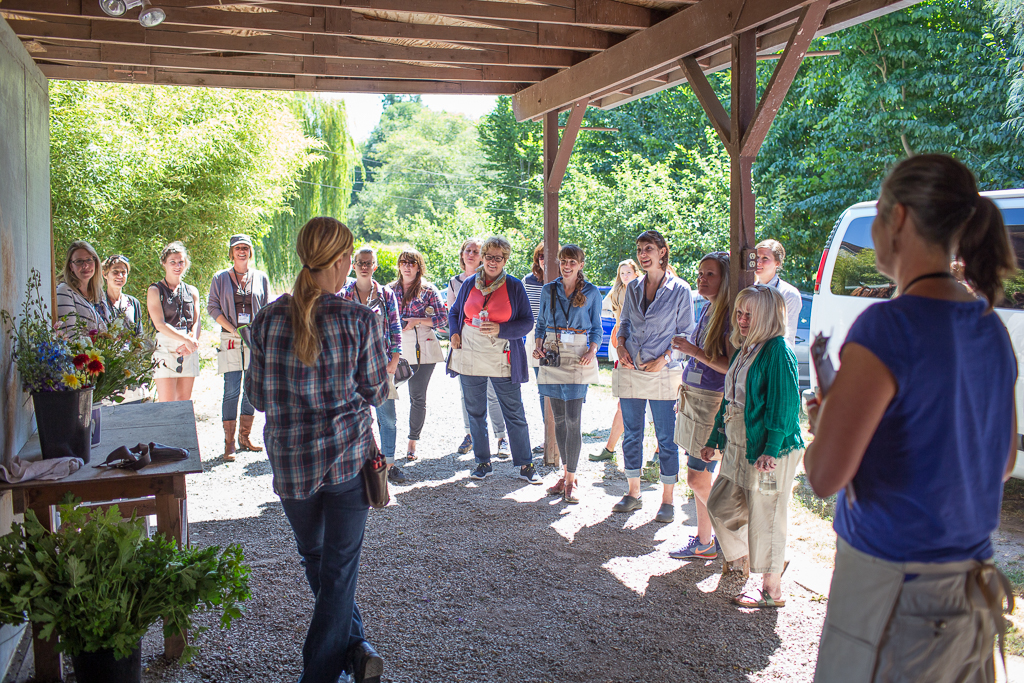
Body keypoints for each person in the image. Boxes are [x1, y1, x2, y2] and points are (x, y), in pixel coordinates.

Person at [805, 155, 1017, 682]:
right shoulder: (988, 327)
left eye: (878, 212)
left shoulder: (886, 329)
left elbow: (824, 476)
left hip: (893, 593)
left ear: (897, 218)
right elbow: (1002, 456)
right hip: (969, 592)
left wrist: (825, 427)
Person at [245, 216, 388, 683]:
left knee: (317, 560)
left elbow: (258, 398)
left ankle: (357, 651)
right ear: (342, 259)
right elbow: (375, 391)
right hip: (347, 461)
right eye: (349, 255)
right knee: (340, 569)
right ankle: (324, 672)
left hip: (290, 464)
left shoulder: (267, 318)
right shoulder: (359, 319)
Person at [702, 285, 803, 608]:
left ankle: (771, 588)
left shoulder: (777, 351)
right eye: (740, 313)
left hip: (768, 446)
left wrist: (771, 448)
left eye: (750, 315)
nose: (742, 320)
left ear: (768, 317)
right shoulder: (747, 348)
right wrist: (715, 437)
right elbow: (730, 397)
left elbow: (785, 405)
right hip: (738, 440)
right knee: (720, 505)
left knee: (767, 514)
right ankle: (768, 558)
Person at [612, 230, 694, 523]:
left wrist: (665, 359)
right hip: (632, 368)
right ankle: (633, 493)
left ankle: (668, 499)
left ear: (662, 252)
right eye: (639, 249)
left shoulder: (681, 289)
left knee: (666, 437)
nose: (643, 254)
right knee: (632, 433)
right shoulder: (632, 287)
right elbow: (623, 324)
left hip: (664, 371)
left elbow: (686, 333)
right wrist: (621, 346)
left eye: (648, 249)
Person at [448, 236, 539, 484]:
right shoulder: (469, 283)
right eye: (489, 256)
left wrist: (501, 330)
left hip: (502, 353)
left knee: (514, 411)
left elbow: (527, 322)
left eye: (498, 258)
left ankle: (526, 464)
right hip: (470, 351)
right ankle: (482, 462)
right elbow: (455, 311)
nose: (492, 262)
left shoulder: (514, 286)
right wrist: (454, 332)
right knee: (475, 411)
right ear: (483, 257)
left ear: (505, 259)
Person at [669, 252, 733, 560]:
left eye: (710, 274)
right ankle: (706, 541)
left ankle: (726, 535)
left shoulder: (732, 314)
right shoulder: (709, 308)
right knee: (700, 477)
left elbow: (729, 367)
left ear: (726, 279)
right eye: (700, 273)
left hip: (712, 403)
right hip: (693, 398)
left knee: (697, 477)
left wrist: (693, 350)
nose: (702, 279)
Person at [533, 245, 603, 503]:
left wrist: (592, 350)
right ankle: (565, 474)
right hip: (552, 349)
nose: (567, 266)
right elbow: (540, 323)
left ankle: (572, 479)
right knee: (559, 419)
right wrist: (538, 345)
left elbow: (597, 328)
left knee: (573, 418)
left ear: (581, 265)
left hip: (578, 351)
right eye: (563, 261)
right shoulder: (548, 289)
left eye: (572, 261)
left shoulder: (592, 292)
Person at [341, 247, 406, 484]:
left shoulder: (386, 294)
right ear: (354, 266)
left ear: (375, 266)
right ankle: (363, 463)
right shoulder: (344, 294)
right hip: (353, 366)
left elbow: (396, 327)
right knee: (358, 415)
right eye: (361, 263)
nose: (365, 266)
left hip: (381, 363)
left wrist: (395, 358)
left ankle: (389, 463)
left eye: (369, 263)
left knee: (387, 416)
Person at [208, 234, 271, 461]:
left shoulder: (261, 277)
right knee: (231, 389)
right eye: (237, 248)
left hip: (254, 340)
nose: (241, 251)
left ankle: (245, 437)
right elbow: (213, 307)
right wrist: (233, 329)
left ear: (250, 251)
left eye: (245, 248)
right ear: (231, 252)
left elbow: (266, 308)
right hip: (231, 338)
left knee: (251, 390)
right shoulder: (220, 278)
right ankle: (229, 443)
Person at [447, 238, 509, 459]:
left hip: (490, 342)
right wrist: (454, 333)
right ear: (462, 254)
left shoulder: (498, 280)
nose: (471, 254)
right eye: (468, 250)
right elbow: (454, 313)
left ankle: (501, 437)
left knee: (493, 394)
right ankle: (471, 435)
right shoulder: (456, 282)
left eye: (476, 251)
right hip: (465, 343)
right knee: (468, 395)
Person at [390, 249, 447, 462]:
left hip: (423, 349)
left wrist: (416, 321)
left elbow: (442, 320)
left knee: (418, 397)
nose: (407, 266)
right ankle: (387, 443)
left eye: (411, 263)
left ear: (418, 267)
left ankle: (412, 442)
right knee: (387, 394)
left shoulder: (429, 290)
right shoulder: (389, 290)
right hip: (396, 348)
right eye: (403, 262)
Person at [593, 258, 640, 462]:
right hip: (621, 346)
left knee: (651, 405)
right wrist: (617, 328)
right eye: (622, 273)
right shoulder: (617, 292)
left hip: (641, 349)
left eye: (628, 272)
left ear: (636, 273)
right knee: (623, 402)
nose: (625, 276)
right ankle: (610, 448)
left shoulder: (643, 290)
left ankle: (657, 454)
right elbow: (608, 311)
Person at [147, 241, 202, 403]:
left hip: (189, 348)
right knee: (167, 404)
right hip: (165, 348)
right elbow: (159, 324)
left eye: (181, 262)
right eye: (173, 262)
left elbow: (197, 321)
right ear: (164, 263)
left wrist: (192, 343)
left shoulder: (192, 291)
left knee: (184, 402)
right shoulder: (155, 290)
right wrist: (186, 340)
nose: (177, 266)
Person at [523, 240, 552, 454]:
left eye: (548, 256)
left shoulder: (564, 280)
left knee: (559, 387)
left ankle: (560, 435)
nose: (544, 260)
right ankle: (547, 436)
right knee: (543, 389)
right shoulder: (529, 281)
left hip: (560, 336)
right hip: (535, 336)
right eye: (541, 256)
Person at [753, 239, 801, 347]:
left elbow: (787, 337)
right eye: (756, 257)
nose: (758, 262)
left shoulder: (789, 294)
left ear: (777, 263)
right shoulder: (748, 289)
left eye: (765, 258)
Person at [56, 240, 110, 334]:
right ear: (71, 266)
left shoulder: (99, 293)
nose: (85, 265)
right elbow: (69, 335)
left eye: (89, 260)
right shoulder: (64, 291)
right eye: (79, 261)